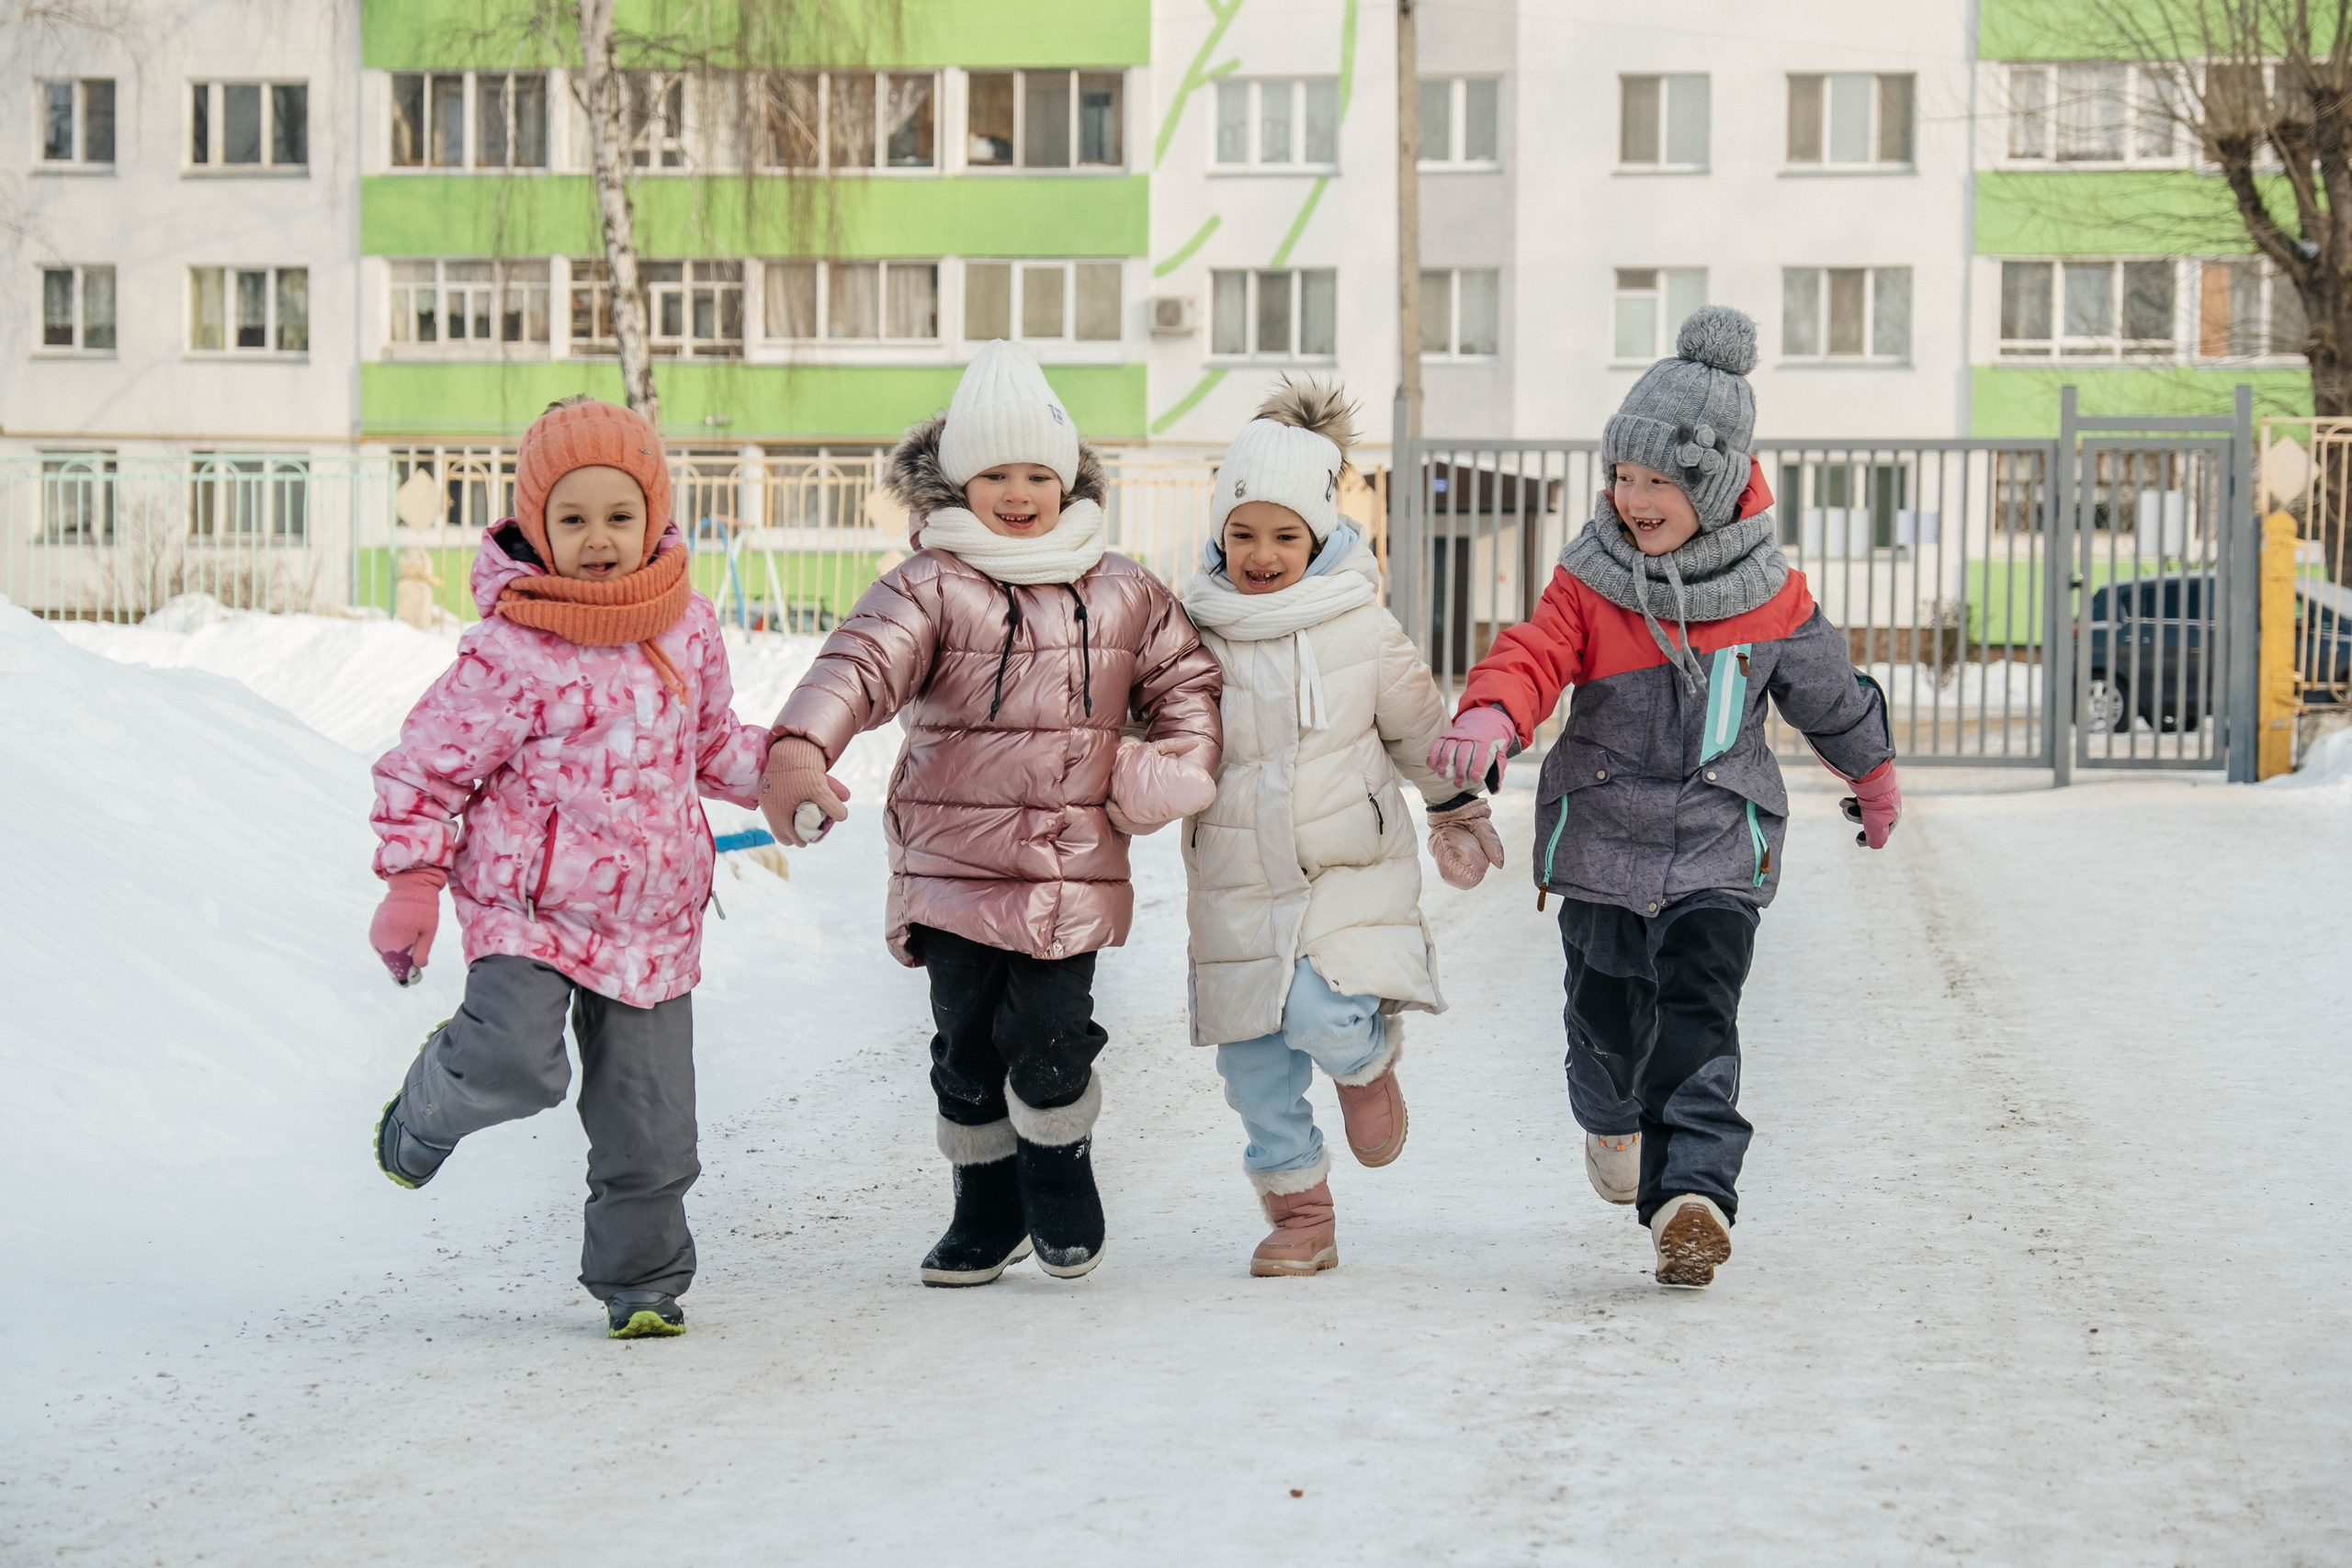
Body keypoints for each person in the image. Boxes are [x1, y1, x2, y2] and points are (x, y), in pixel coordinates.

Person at [1426, 307, 1902, 1288]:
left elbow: (1828, 693)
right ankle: (1611, 1118)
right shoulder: (1592, 581)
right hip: (1603, 839)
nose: (1633, 497)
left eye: (1658, 481)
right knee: (1607, 1031)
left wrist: (1872, 771)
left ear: (1714, 483)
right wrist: (1489, 718)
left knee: (1699, 1008)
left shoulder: (1772, 597)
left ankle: (1691, 1193)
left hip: (1718, 846)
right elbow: (1532, 656)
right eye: (1622, 475)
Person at [758, 341, 1223, 1287]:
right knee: (965, 1047)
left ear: (1068, 479)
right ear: (960, 484)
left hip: (1067, 865)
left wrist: (1178, 761)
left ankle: (1056, 1167)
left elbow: (1185, 680)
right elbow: (856, 665)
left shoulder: (1122, 586)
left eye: (1038, 474)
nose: (1019, 492)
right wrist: (803, 749)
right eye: (996, 474)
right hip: (951, 867)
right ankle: (985, 1202)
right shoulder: (929, 585)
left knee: (1050, 1040)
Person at [366, 397, 772, 1340]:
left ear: (655, 518)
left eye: (618, 517)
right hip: (529, 913)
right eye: (574, 518)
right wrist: (412, 884)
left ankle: (642, 1283)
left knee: (653, 1128)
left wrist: (788, 775)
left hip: (651, 925)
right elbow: (425, 767)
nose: (598, 539)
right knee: (515, 1062)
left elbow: (711, 747)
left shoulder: (687, 628)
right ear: (536, 525)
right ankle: (427, 1112)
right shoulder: (509, 649)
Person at [1179, 382, 1505, 1276]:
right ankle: (1300, 1215)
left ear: (1320, 535)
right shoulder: (1192, 631)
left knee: (1321, 1011)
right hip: (1236, 876)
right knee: (1250, 1066)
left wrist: (1454, 809)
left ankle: (1366, 1066)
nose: (1262, 554)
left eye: (1285, 536)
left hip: (1343, 863)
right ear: (1218, 535)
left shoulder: (1361, 626)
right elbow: (1157, 730)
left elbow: (1414, 725)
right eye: (1242, 534)